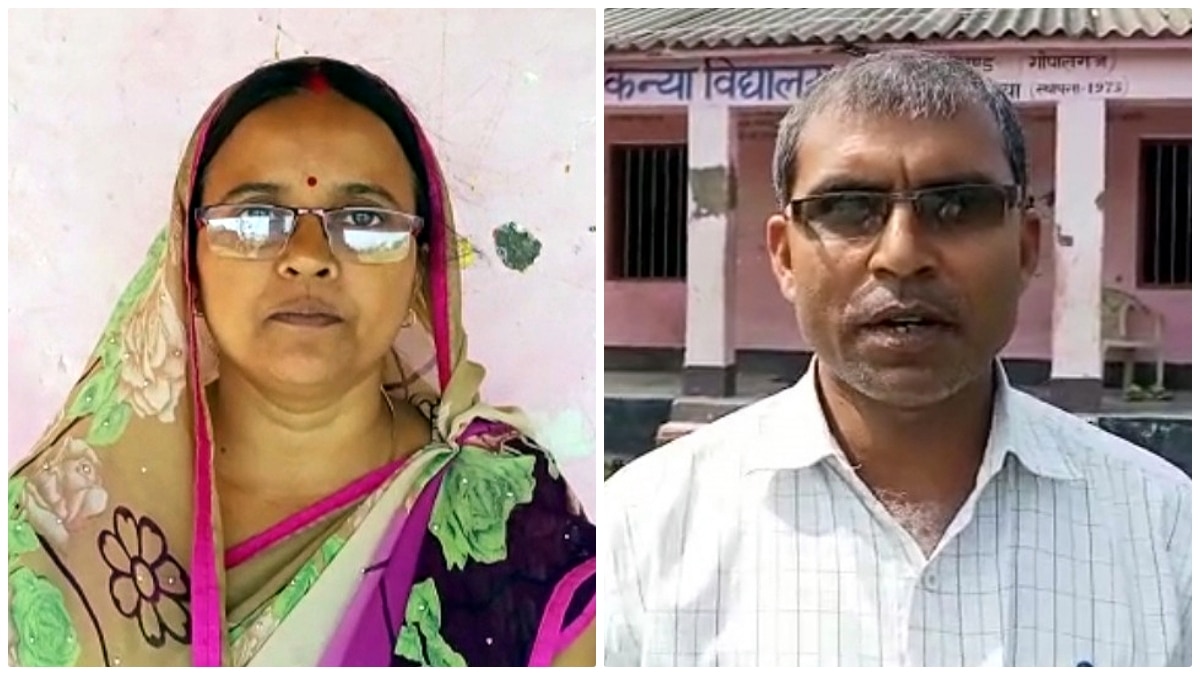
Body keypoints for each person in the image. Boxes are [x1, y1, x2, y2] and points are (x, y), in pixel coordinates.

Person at [602, 50, 1189, 667]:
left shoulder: (1165, 530)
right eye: (848, 207)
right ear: (785, 257)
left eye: (957, 205)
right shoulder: (639, 532)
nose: (902, 255)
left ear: (1025, 249)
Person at [8, 56, 595, 667]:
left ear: (418, 273)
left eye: (365, 220)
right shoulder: (57, 519)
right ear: (189, 265)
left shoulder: (509, 514)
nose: (308, 256)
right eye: (254, 217)